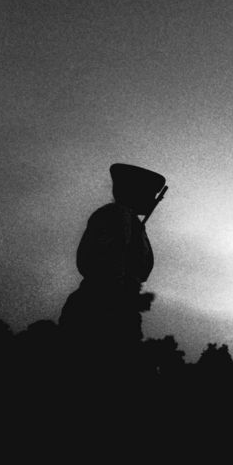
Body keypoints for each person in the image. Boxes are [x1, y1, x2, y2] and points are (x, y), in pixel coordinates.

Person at [59, 163, 166, 382]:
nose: (154, 199)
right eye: (149, 193)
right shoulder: (116, 216)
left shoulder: (131, 222)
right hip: (100, 315)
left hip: (116, 312)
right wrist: (122, 293)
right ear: (135, 192)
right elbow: (105, 263)